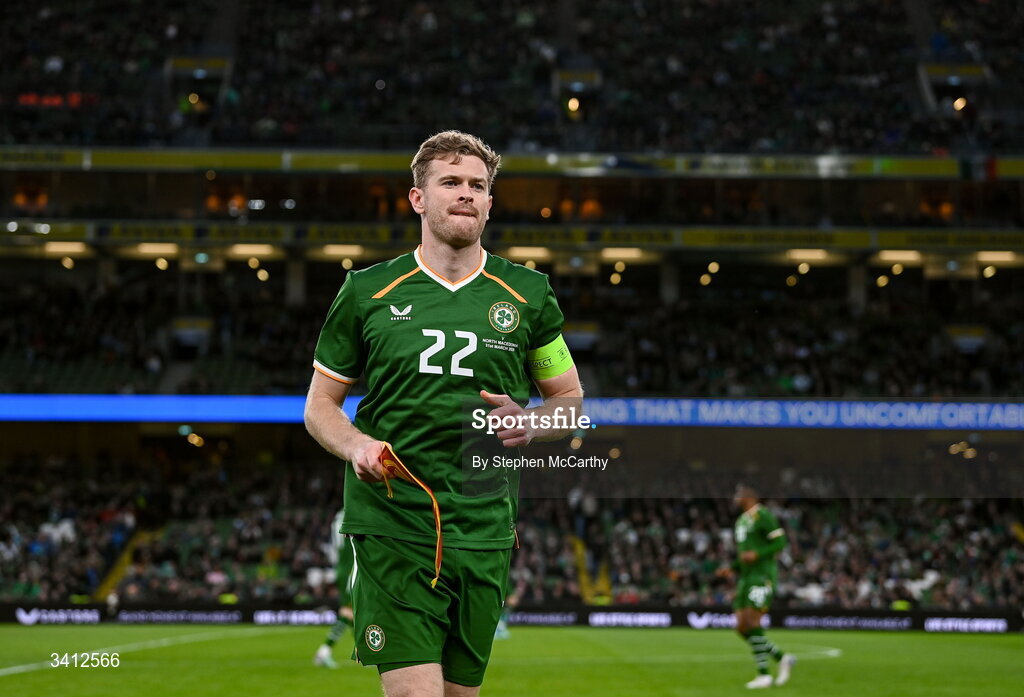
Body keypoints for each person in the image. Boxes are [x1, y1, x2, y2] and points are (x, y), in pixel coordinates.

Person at [304, 130, 583, 697]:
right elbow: (319, 406)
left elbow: (571, 404)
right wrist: (356, 445)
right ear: (417, 199)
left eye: (478, 186)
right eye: (450, 182)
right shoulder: (367, 291)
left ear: (489, 202)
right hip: (393, 522)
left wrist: (533, 421)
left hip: (483, 530)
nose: (466, 194)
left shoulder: (528, 294)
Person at [716, 485, 796, 689]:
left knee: (752, 622)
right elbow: (744, 554)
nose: (734, 497)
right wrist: (732, 568)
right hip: (746, 577)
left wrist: (758, 555)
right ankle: (781, 657)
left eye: (737, 494)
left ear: (748, 496)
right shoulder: (741, 521)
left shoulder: (763, 515)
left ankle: (764, 675)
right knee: (742, 627)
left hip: (762, 576)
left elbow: (780, 542)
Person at [314, 507, 355, 669]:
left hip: (343, 566)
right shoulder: (353, 511)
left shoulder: (340, 514)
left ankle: (363, 650)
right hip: (350, 568)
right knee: (348, 612)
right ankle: (323, 652)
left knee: (353, 613)